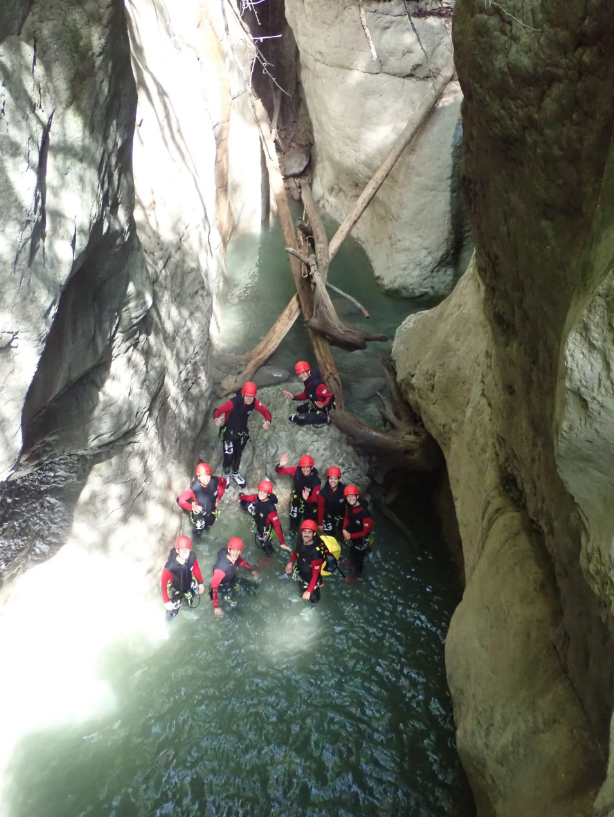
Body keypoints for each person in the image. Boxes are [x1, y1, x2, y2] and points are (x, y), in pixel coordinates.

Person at [213, 382, 271, 487]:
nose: (249, 399)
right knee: (229, 456)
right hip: (229, 434)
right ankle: (225, 473)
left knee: (238, 455)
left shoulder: (254, 403)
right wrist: (216, 418)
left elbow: (266, 411)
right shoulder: (233, 403)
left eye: (252, 397)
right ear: (243, 395)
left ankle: (235, 473)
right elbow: (218, 410)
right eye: (247, 396)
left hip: (241, 434)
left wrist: (268, 421)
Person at [285, 519, 332, 603]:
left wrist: (309, 591)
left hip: (311, 579)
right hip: (301, 572)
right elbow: (297, 550)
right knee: (301, 590)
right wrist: (291, 562)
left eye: (309, 532)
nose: (306, 535)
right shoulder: (300, 539)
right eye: (304, 531)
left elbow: (315, 575)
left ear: (314, 534)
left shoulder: (315, 553)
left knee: (313, 600)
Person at [238, 479, 291, 554]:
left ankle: (270, 556)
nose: (261, 494)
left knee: (265, 545)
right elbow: (250, 498)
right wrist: (241, 498)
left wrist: (282, 543)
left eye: (264, 492)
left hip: (264, 528)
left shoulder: (271, 509)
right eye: (260, 491)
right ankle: (241, 499)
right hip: (257, 515)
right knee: (244, 502)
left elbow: (277, 526)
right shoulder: (258, 497)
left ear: (268, 494)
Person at [209, 537, 258, 618]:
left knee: (254, 588)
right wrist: (216, 607)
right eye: (233, 550)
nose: (235, 553)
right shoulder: (221, 569)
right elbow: (213, 588)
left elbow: (240, 561)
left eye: (238, 550)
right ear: (229, 550)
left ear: (240, 551)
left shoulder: (235, 557)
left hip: (233, 579)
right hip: (224, 587)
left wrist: (251, 570)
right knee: (236, 612)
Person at [176, 462, 227, 536]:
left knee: (208, 527)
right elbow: (180, 499)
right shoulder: (195, 489)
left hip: (211, 512)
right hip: (200, 515)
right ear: (198, 477)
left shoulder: (214, 481)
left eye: (208, 476)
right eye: (203, 476)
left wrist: (218, 497)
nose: (206, 479)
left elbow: (224, 482)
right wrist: (192, 507)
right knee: (198, 532)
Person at [161, 535, 205, 618]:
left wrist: (200, 583)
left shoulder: (192, 558)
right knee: (172, 613)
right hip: (176, 591)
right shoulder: (170, 567)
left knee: (189, 603)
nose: (185, 552)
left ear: (190, 549)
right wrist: (166, 601)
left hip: (188, 585)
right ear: (177, 550)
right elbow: (163, 584)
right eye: (182, 549)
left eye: (187, 549)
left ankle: (186, 606)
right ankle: (167, 623)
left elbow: (196, 569)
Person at [276, 452, 321, 533]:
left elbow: (314, 499)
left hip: (309, 504)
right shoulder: (296, 471)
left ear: (312, 467)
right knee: (293, 523)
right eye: (303, 467)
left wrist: (307, 499)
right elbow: (280, 471)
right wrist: (280, 465)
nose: (305, 470)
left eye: (307, 467)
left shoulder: (316, 481)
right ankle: (292, 533)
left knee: (308, 526)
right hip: (297, 501)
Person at [342, 484, 373, 577]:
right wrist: (344, 529)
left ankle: (355, 577)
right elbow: (346, 518)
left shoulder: (364, 513)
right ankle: (352, 561)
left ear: (357, 496)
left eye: (352, 496)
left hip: (360, 540)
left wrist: (350, 536)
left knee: (358, 559)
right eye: (348, 497)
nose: (350, 499)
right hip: (353, 536)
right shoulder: (349, 506)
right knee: (352, 551)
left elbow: (365, 532)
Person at [317, 465, 346, 536]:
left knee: (344, 532)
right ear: (328, 479)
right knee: (329, 535)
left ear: (338, 479)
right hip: (328, 516)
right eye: (331, 478)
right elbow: (320, 509)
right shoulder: (323, 493)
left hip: (341, 515)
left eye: (335, 479)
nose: (333, 481)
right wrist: (320, 523)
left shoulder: (344, 489)